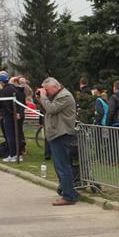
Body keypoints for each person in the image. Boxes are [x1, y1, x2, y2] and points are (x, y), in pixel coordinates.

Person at [38, 77, 79, 206]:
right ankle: (70, 192)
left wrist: (43, 97)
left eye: (47, 89)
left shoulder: (64, 96)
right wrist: (41, 98)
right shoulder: (57, 96)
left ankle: (69, 196)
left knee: (63, 166)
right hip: (56, 134)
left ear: (55, 86)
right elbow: (48, 109)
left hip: (62, 134)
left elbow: (51, 109)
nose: (46, 92)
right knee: (60, 166)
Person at [0, 71, 22, 162]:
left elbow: (0, 103)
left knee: (9, 136)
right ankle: (18, 154)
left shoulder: (4, 91)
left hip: (8, 115)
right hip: (16, 114)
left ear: (1, 81)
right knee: (16, 135)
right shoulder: (14, 89)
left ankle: (12, 154)